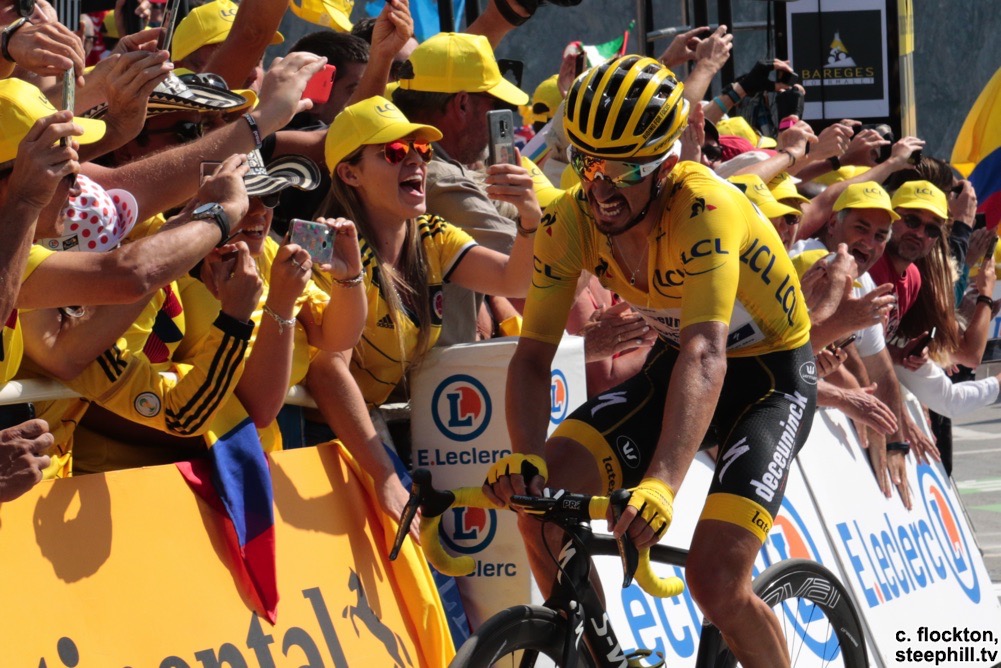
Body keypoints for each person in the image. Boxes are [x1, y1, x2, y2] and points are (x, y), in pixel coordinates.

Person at [485, 56, 816, 668]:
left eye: (623, 169)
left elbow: (706, 350)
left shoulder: (704, 208)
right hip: (678, 365)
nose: (601, 188)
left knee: (716, 581)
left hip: (768, 380)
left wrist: (661, 484)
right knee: (540, 509)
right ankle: (602, 657)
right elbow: (532, 356)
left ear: (665, 164)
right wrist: (526, 456)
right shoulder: (568, 220)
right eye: (587, 163)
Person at [303, 94, 537, 529]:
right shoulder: (320, 243)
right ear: (350, 174)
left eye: (422, 150)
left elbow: (515, 280)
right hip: (318, 435)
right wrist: (385, 475)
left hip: (379, 428)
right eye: (394, 152)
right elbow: (326, 371)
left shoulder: (431, 234)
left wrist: (528, 219)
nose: (415, 161)